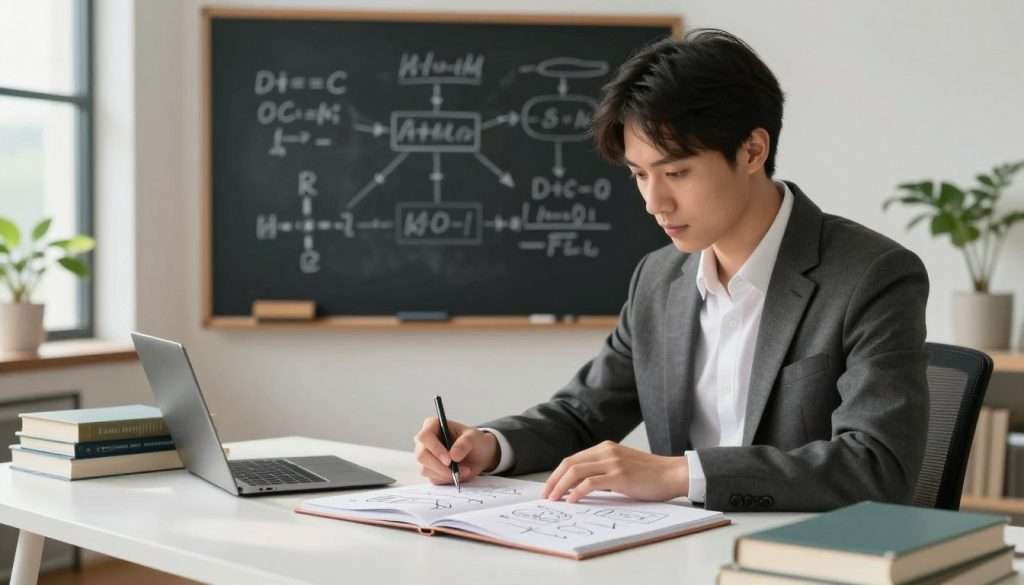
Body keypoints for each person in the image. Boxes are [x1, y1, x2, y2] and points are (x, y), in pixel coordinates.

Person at [413, 29, 929, 512]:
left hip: (802, 557)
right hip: (680, 553)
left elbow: (877, 465)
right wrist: (490, 444)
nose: (654, 202)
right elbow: (583, 414)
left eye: (677, 172)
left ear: (752, 151)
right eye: (640, 174)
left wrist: (681, 475)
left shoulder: (873, 275)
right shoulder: (659, 278)